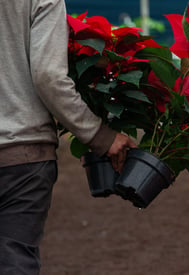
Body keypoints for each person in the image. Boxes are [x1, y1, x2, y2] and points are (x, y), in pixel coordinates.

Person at [0, 0, 136, 273]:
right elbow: (48, 75)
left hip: (21, 156)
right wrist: (100, 136)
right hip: (21, 155)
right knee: (13, 258)